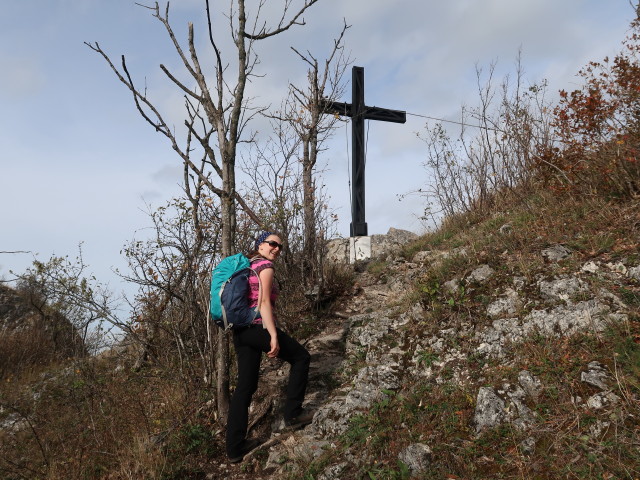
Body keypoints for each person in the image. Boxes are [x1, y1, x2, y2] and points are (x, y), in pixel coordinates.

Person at [225, 231, 313, 463]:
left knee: (245, 387)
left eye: (280, 247)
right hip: (256, 327)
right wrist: (272, 335)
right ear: (260, 245)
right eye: (272, 244)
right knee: (301, 358)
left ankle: (234, 448)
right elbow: (263, 302)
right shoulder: (265, 266)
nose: (276, 249)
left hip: (240, 331)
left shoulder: (247, 266)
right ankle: (293, 414)